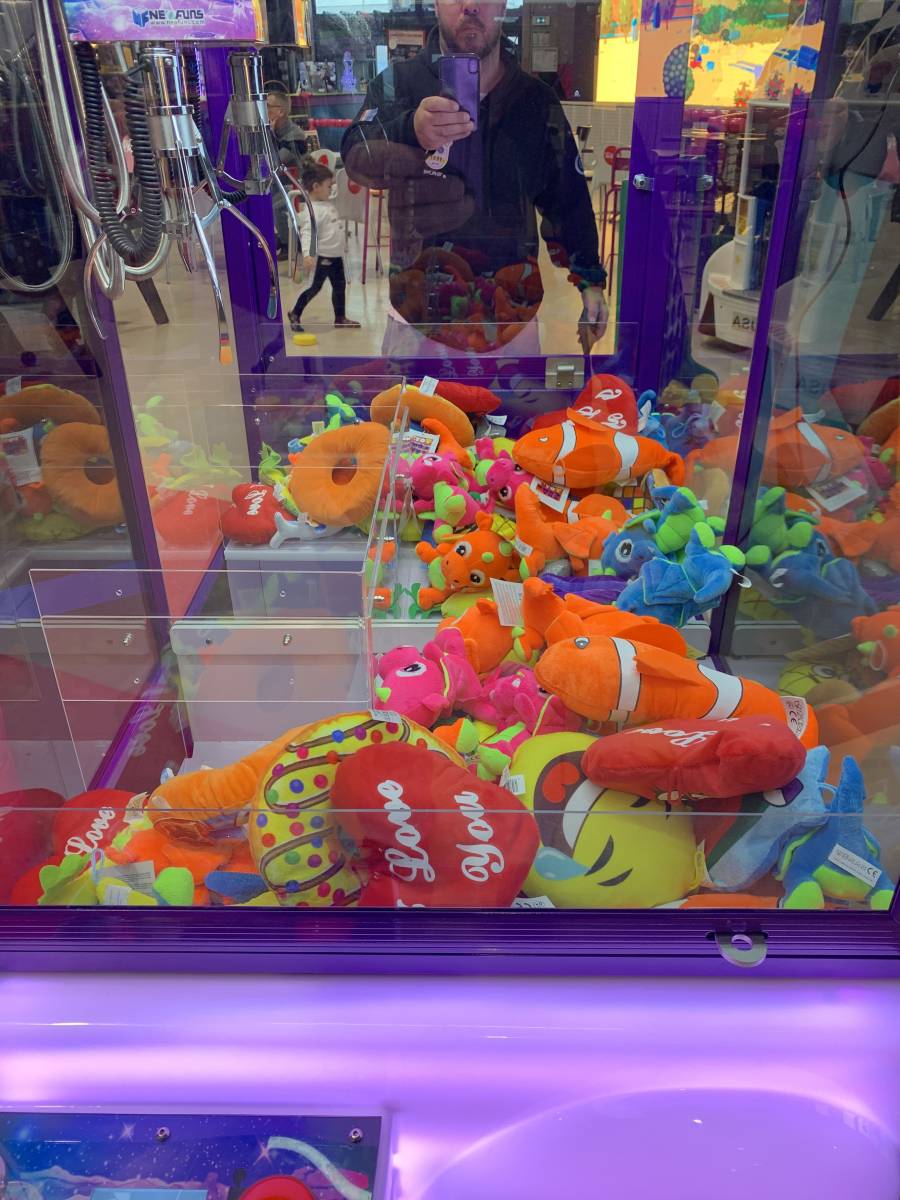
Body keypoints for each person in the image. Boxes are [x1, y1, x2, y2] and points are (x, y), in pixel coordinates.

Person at [341, 0, 608, 357]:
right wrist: (409, 130)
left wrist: (590, 280)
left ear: (504, 4)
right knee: (413, 397)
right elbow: (355, 153)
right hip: (417, 311)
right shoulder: (399, 83)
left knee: (513, 400)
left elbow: (567, 197)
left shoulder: (535, 100)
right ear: (437, 3)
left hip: (510, 315)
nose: (470, 5)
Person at [288, 163, 361, 332]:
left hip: (336, 256)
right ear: (316, 187)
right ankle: (295, 313)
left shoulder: (327, 204)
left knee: (340, 286)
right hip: (322, 257)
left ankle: (340, 318)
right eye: (329, 186)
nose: (331, 189)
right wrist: (308, 254)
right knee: (314, 287)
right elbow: (307, 233)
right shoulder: (312, 210)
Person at [266, 90, 309, 260]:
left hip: (296, 184)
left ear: (281, 111)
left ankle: (288, 242)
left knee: (271, 202)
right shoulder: (276, 131)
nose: (264, 109)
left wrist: (269, 134)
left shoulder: (294, 135)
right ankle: (281, 238)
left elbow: (275, 162)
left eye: (268, 106)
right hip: (280, 182)